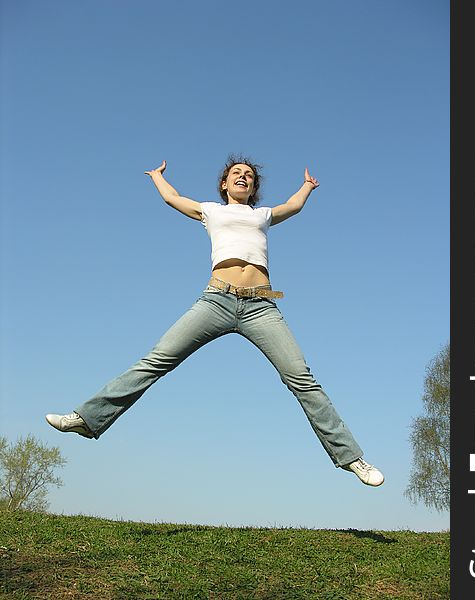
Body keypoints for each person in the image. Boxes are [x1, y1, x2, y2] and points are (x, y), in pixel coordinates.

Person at [46, 155, 384, 486]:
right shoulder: (211, 211)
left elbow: (292, 207)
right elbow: (172, 198)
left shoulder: (262, 214)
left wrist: (307, 186)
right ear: (224, 184)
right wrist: (157, 176)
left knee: (301, 378)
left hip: (261, 306)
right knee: (157, 360)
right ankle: (87, 418)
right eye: (237, 172)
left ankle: (351, 457)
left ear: (253, 188)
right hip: (216, 300)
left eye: (249, 175)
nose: (243, 176)